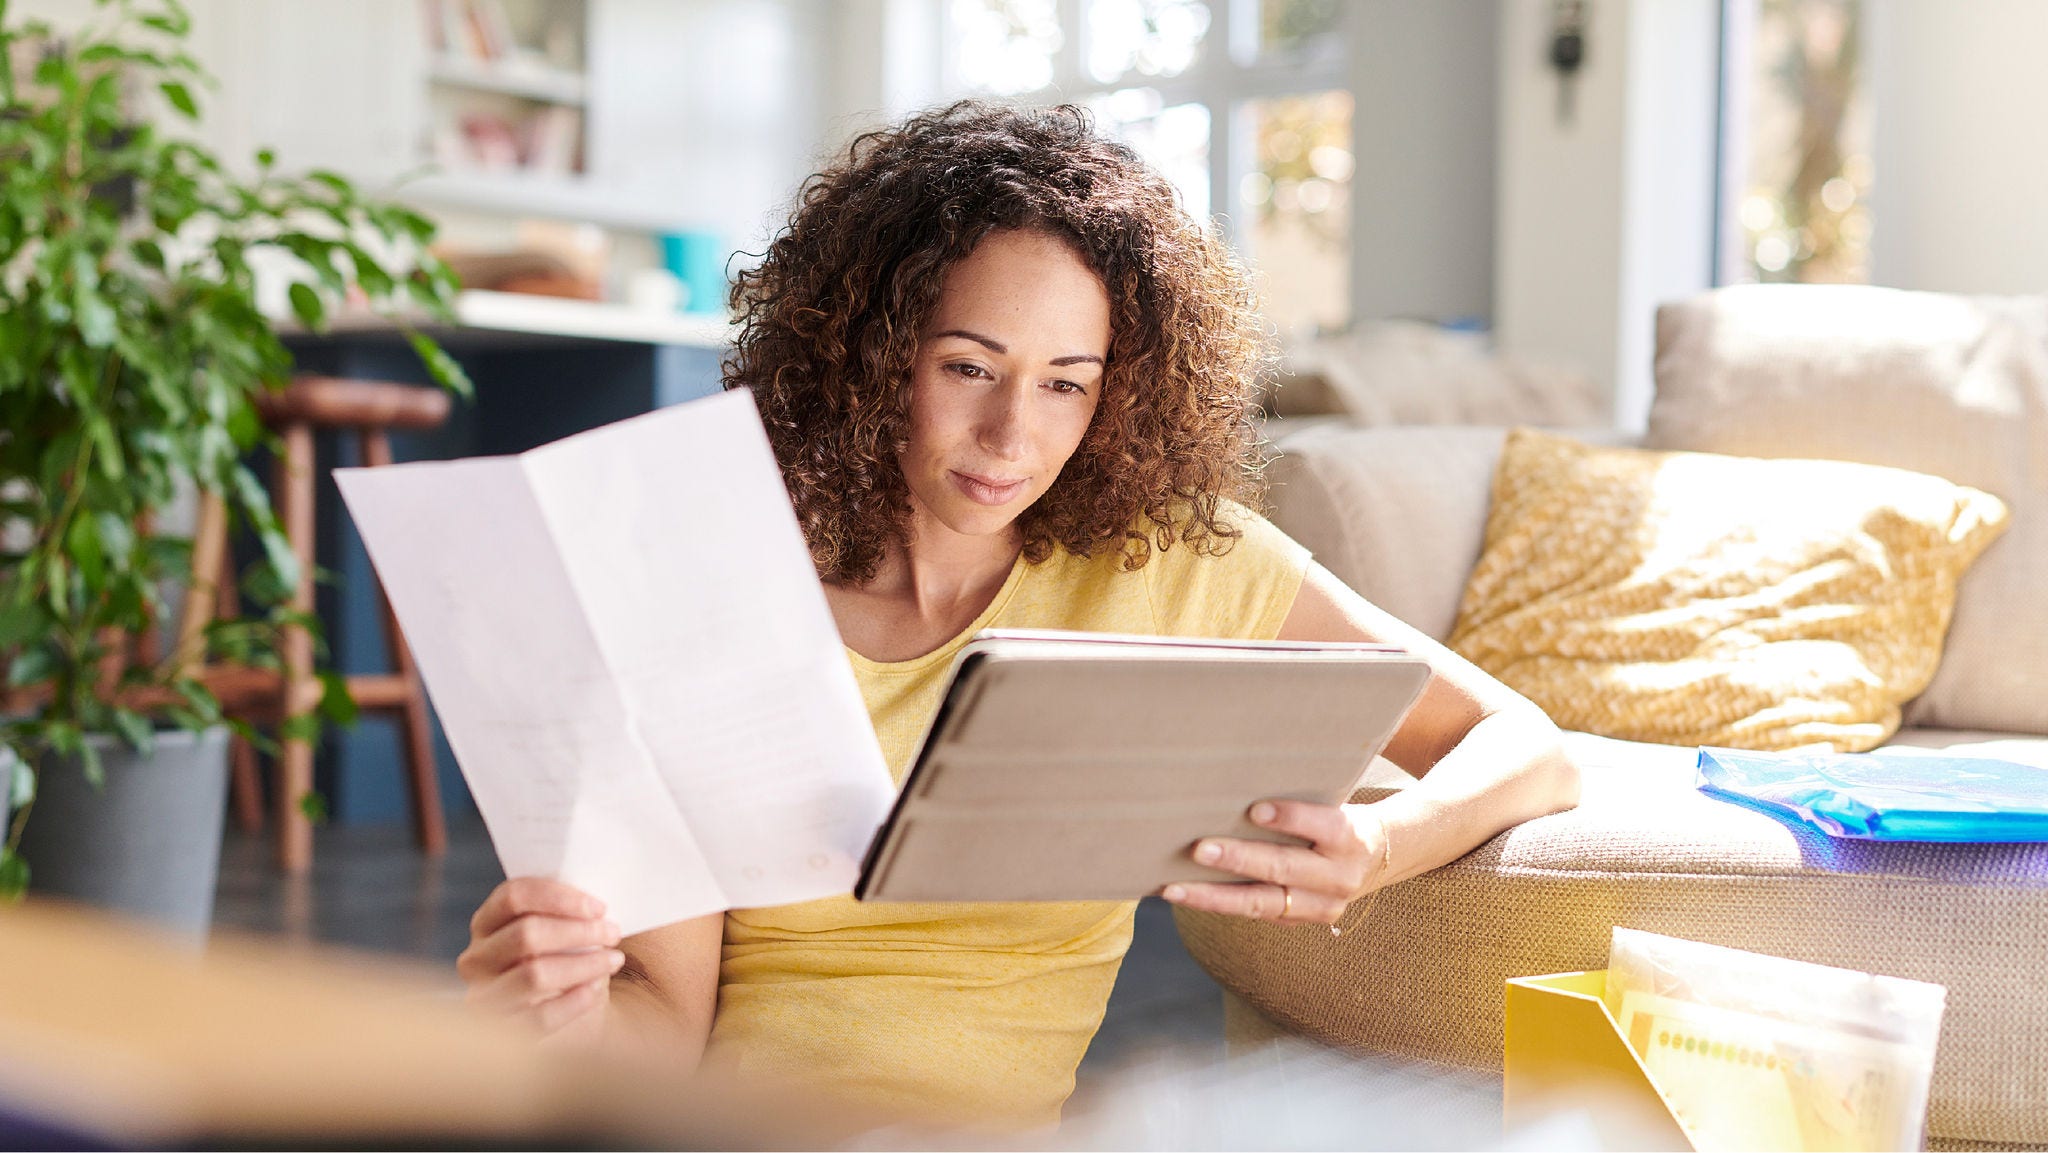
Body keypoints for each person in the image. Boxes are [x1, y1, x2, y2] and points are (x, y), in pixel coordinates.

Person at [456, 101, 1579, 1131]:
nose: (1010, 436)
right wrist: (560, 1011)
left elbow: (1523, 746)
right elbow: (665, 1032)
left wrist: (1379, 845)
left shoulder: (1172, 561)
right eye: (967, 367)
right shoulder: (718, 586)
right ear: (871, 352)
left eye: (1064, 383)